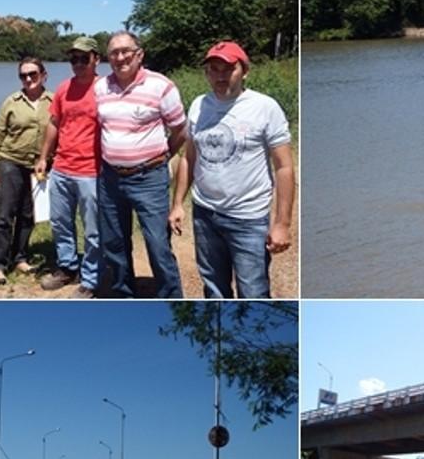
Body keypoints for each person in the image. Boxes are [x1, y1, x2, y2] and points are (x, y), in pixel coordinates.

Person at [169, 41, 295, 298]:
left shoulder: (264, 107)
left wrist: (282, 223)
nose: (220, 76)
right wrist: (178, 203)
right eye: (213, 69)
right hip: (205, 214)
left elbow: (284, 167)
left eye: (228, 69)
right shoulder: (198, 105)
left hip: (248, 218)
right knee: (214, 290)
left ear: (244, 71)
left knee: (253, 293)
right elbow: (188, 157)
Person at [95, 31, 186, 298]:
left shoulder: (162, 86)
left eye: (126, 51)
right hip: (110, 178)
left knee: (158, 243)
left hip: (150, 177)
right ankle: (123, 294)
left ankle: (170, 297)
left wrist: (162, 156)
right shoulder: (100, 87)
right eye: (114, 53)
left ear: (139, 54)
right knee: (114, 243)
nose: (120, 57)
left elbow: (180, 130)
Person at [34, 36, 102, 297]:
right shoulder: (63, 89)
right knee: (60, 223)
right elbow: (54, 123)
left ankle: (91, 279)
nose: (78, 63)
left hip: (91, 171)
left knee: (93, 230)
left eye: (84, 58)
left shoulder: (105, 89)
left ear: (96, 58)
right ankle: (68, 266)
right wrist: (43, 157)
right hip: (62, 167)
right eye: (74, 58)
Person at [0, 57, 53, 285]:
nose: (28, 79)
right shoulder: (11, 102)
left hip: (39, 166)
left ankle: (20, 257)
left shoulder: (54, 101)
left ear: (44, 74)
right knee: (5, 215)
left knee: (28, 215)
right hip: (10, 162)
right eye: (23, 75)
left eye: (33, 74)